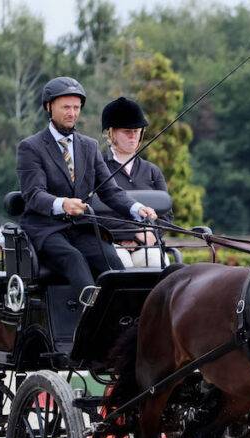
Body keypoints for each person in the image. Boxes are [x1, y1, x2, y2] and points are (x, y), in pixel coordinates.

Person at [16, 77, 157, 304]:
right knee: (74, 259)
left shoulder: (89, 146)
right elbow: (33, 194)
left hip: (81, 228)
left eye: (76, 107)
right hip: (46, 229)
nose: (72, 113)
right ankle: (91, 317)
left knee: (111, 260)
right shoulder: (31, 147)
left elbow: (110, 190)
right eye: (66, 107)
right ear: (48, 107)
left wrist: (137, 208)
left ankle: (127, 315)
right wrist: (62, 204)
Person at [101, 97, 171, 267]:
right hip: (110, 243)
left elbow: (167, 216)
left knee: (157, 262)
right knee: (121, 263)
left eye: (137, 131)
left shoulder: (152, 171)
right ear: (111, 133)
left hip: (148, 243)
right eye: (127, 131)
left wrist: (149, 235)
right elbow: (96, 216)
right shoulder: (99, 168)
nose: (133, 136)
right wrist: (131, 234)